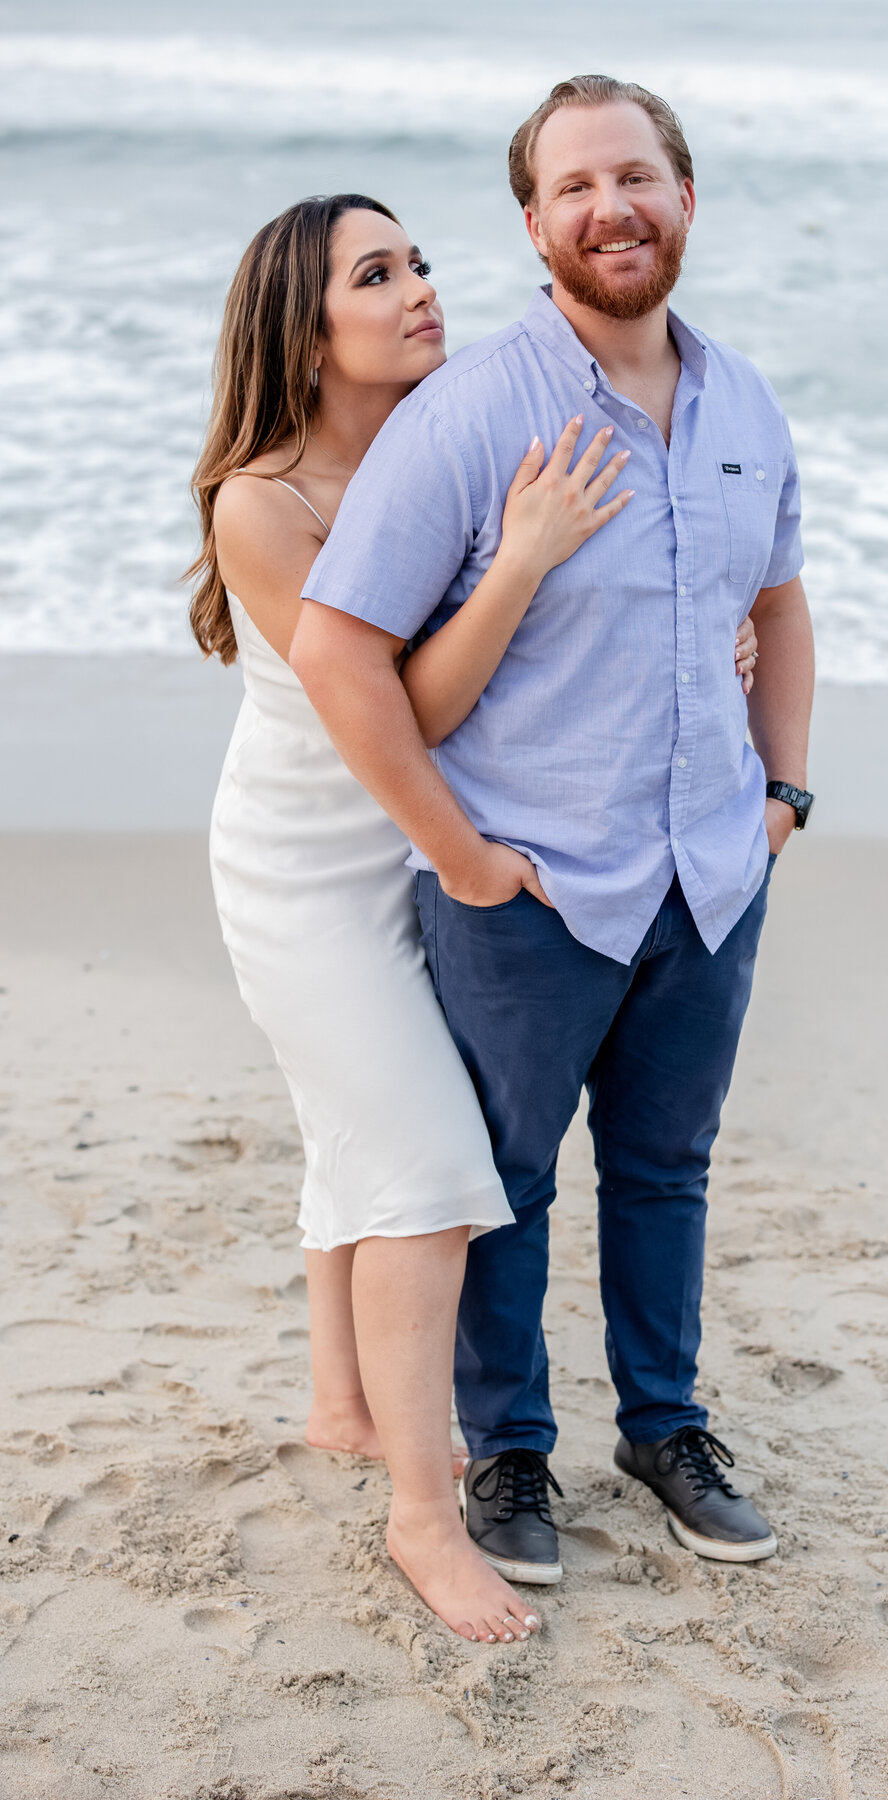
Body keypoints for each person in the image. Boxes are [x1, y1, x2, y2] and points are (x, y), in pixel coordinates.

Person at [189, 193, 760, 1642]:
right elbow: (397, 700)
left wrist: (693, 621)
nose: (420, 291)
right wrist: (522, 559)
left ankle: (342, 1404)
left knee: (354, 1129)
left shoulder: (435, 432)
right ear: (300, 330)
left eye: (421, 262)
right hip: (319, 864)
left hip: (410, 841)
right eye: (374, 277)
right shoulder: (260, 500)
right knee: (435, 1164)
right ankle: (424, 1521)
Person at [294, 75, 814, 1587]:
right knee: (501, 1181)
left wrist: (782, 793)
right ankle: (511, 1453)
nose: (612, 207)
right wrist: (460, 856)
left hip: (710, 871)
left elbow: (777, 603)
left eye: (636, 177)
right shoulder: (469, 414)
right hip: (527, 884)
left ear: (686, 196)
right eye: (576, 187)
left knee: (668, 1168)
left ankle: (664, 1427)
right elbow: (342, 645)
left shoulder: (746, 402)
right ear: (534, 224)